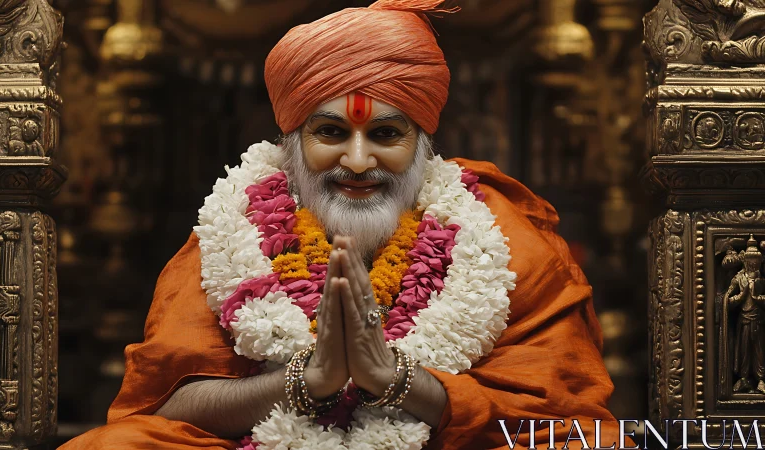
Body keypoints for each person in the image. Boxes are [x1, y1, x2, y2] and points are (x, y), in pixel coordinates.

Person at [61, 1, 630, 448]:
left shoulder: (504, 237)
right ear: (293, 143)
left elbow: (561, 411)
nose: (357, 162)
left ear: (422, 145)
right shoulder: (228, 233)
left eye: (386, 134)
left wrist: (395, 379)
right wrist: (305, 381)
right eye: (331, 133)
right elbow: (161, 407)